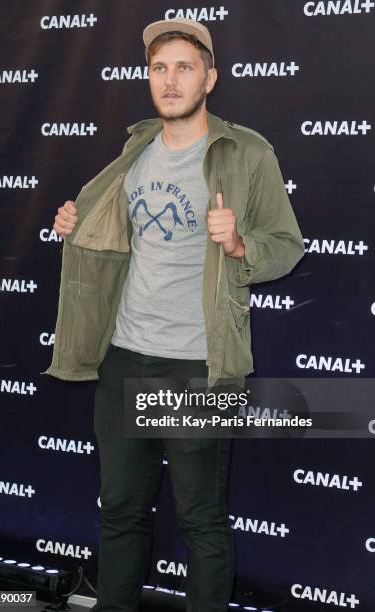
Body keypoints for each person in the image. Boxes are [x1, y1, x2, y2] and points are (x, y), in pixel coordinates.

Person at [46, 17, 304, 612]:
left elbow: (287, 247)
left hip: (197, 366)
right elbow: (108, 232)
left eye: (184, 67)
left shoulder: (246, 152)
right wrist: (75, 224)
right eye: (159, 68)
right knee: (121, 516)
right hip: (124, 360)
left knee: (202, 522)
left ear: (209, 78)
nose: (169, 79)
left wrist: (242, 246)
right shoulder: (135, 147)